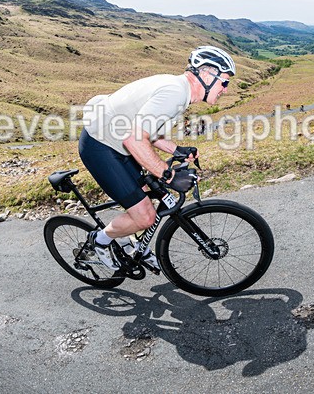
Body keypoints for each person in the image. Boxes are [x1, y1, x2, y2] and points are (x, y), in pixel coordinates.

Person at [79, 45, 235, 270]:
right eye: (225, 82)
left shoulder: (179, 90)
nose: (226, 89)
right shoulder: (174, 93)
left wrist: (176, 149)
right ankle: (100, 241)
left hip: (117, 142)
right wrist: (168, 175)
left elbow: (146, 130)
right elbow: (135, 140)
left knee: (144, 198)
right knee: (145, 217)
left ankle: (128, 241)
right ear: (207, 74)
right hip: (100, 147)